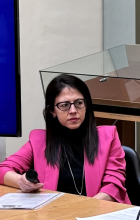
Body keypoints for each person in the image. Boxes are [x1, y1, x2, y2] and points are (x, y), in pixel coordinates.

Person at [0, 74, 129, 202]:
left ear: (87, 105)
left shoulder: (109, 137)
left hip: (97, 213)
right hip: (53, 215)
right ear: (52, 111)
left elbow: (113, 186)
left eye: (79, 103)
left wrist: (87, 208)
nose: (73, 110)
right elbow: (2, 169)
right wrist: (21, 182)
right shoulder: (38, 140)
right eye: (64, 105)